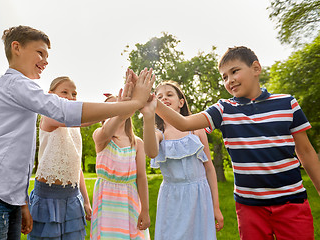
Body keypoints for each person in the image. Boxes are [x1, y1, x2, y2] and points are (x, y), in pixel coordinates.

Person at [0, 25, 155, 239]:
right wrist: (133, 103)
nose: (45, 61)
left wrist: (21, 203)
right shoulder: (16, 84)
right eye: (40, 52)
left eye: (47, 56)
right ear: (16, 47)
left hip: (7, 199)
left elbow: (20, 159)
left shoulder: (22, 90)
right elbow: (66, 112)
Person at [155, 46, 320, 240]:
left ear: (256, 68)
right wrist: (150, 101)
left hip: (292, 203)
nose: (229, 80)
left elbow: (306, 151)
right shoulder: (224, 109)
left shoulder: (287, 104)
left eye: (234, 71)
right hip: (249, 207)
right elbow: (183, 123)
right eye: (224, 77)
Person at [141, 80, 223, 240]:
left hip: (199, 196)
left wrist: (216, 206)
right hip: (171, 199)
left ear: (181, 102)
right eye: (159, 96)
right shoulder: (159, 133)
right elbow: (151, 152)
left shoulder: (196, 129)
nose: (164, 98)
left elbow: (209, 169)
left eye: (169, 94)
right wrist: (148, 116)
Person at [27, 76, 92, 240]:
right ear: (50, 94)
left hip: (72, 198)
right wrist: (117, 108)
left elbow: (77, 166)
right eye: (65, 92)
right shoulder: (49, 117)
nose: (70, 97)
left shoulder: (74, 129)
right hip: (48, 198)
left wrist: (86, 200)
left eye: (74, 94)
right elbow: (81, 118)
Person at [90, 71, 151, 239]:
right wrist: (121, 109)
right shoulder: (100, 136)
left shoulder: (137, 143)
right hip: (107, 203)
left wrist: (145, 210)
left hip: (130, 201)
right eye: (110, 108)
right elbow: (108, 128)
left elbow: (141, 177)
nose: (116, 109)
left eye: (119, 105)